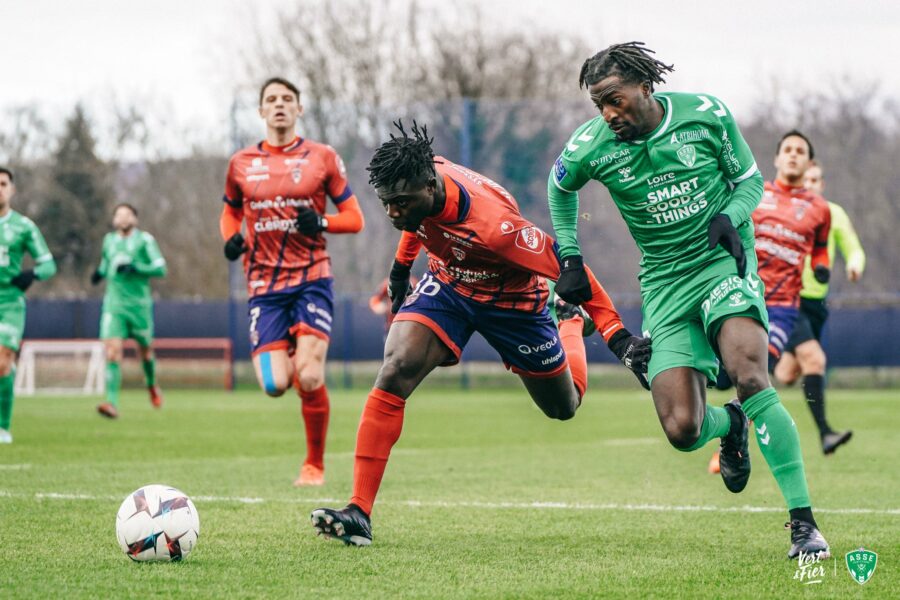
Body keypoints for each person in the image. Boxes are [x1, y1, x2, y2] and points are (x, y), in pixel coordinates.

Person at [547, 41, 828, 558]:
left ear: (644, 87)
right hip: (664, 282)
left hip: (722, 261)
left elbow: (748, 182)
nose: (609, 114)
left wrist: (731, 218)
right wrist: (568, 257)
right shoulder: (590, 145)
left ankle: (804, 525)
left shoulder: (706, 115)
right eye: (598, 105)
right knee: (682, 428)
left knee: (748, 370)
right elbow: (559, 188)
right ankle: (733, 424)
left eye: (615, 99)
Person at [311, 121, 650, 546]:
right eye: (385, 203)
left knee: (563, 407)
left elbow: (573, 269)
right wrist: (400, 272)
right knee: (395, 368)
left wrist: (618, 338)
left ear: (430, 186)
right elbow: (416, 226)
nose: (393, 212)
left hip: (514, 305)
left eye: (400, 202)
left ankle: (567, 323)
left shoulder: (497, 229)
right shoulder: (419, 179)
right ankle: (359, 509)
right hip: (449, 286)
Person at [221, 77, 365, 487]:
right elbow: (230, 213)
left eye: (287, 99)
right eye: (271, 100)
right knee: (274, 384)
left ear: (299, 109)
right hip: (264, 286)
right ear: (261, 111)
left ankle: (314, 465)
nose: (279, 105)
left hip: (311, 279)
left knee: (310, 375)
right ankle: (287, 347)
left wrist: (321, 221)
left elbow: (355, 218)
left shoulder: (322, 157)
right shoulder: (240, 164)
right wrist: (230, 239)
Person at [774, 160, 864, 454]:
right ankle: (826, 433)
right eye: (805, 180)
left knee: (784, 375)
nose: (809, 185)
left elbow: (853, 247)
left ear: (821, 185)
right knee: (815, 360)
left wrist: (854, 265)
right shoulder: (786, 209)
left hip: (816, 306)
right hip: (790, 300)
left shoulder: (831, 213)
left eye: (815, 180)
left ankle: (734, 426)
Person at [92, 203, 167, 418]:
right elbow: (106, 265)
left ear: (135, 219)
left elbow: (161, 268)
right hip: (114, 305)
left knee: (145, 351)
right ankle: (111, 403)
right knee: (113, 352)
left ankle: (152, 385)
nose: (123, 218)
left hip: (139, 306)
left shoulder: (145, 240)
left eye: (127, 214)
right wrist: (98, 273)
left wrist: (137, 268)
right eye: (119, 214)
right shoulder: (109, 241)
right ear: (114, 219)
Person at [0, 167, 57, 443]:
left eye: (2, 184)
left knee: (1, 362)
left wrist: (31, 274)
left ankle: (2, 427)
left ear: (11, 189)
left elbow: (48, 264)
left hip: (9, 301)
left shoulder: (23, 226)